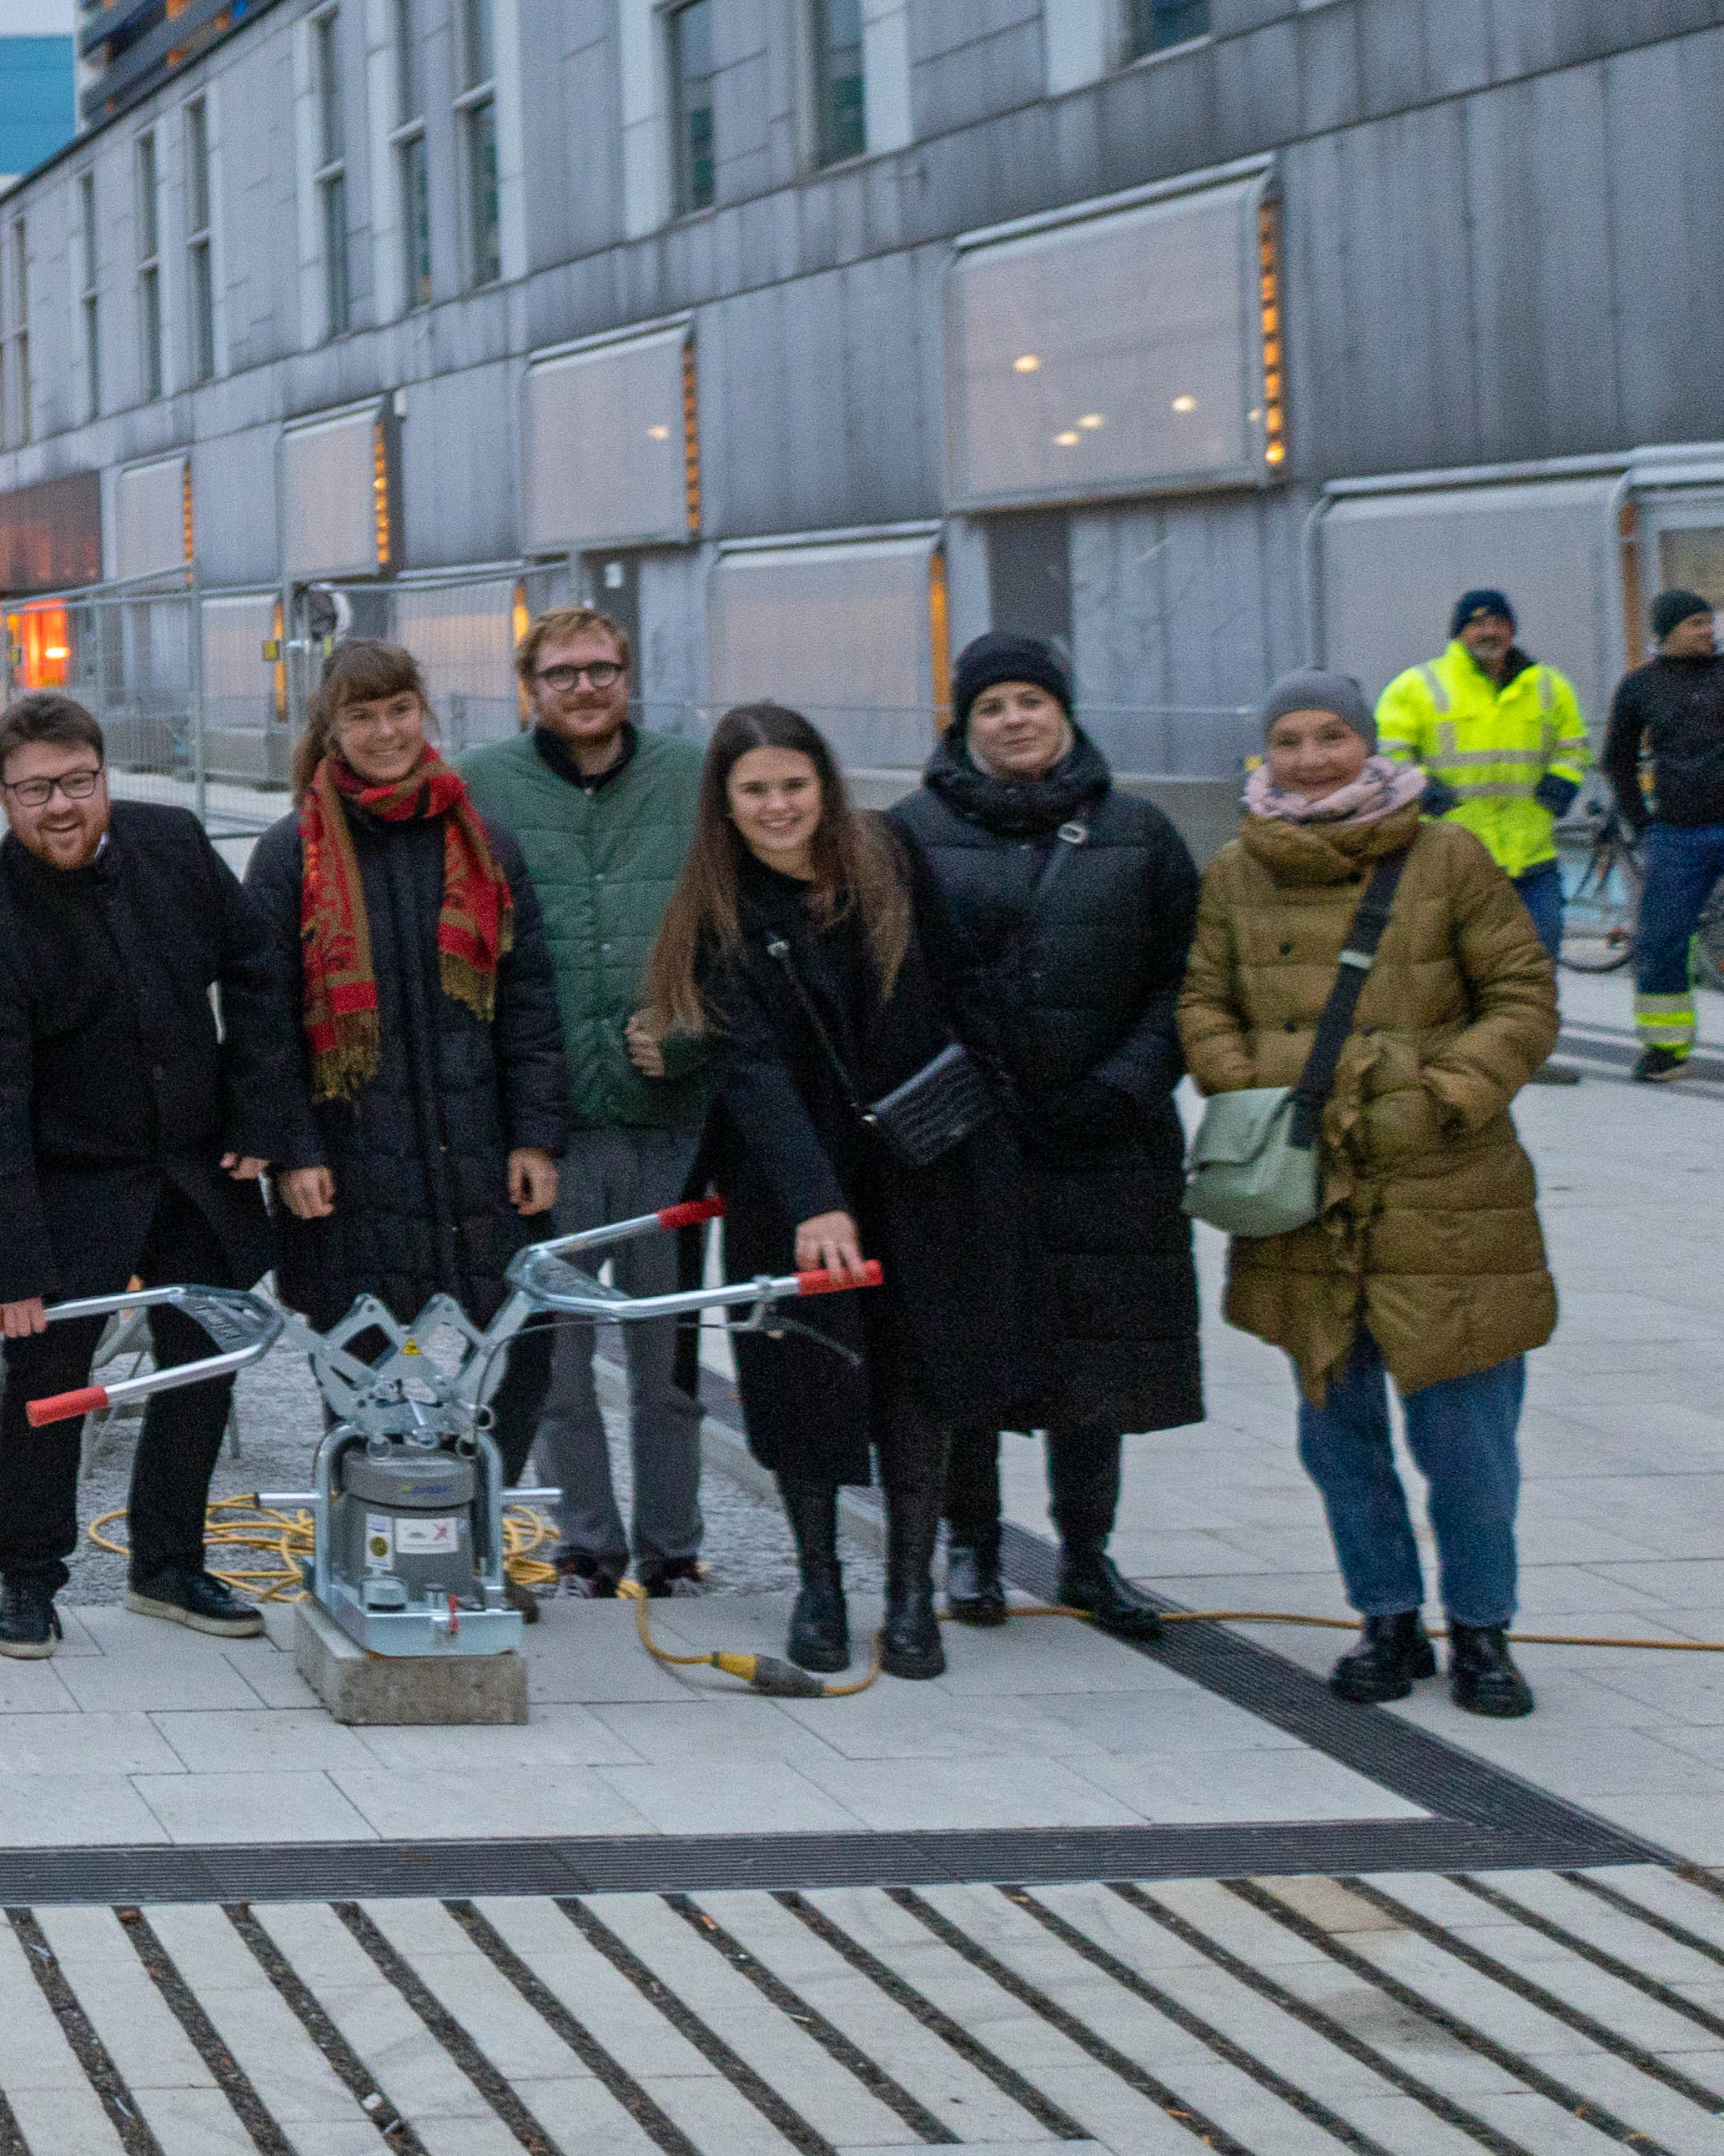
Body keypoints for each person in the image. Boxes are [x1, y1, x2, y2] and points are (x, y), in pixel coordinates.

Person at [1184, 671, 1561, 1716]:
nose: (1309, 757)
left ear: (1368, 743)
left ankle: (1481, 1629)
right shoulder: (1233, 870)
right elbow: (1202, 999)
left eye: (1331, 735)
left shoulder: (1445, 856)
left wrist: (1442, 1094)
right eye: (1288, 739)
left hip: (1445, 1185)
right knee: (1337, 1431)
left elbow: (1522, 996)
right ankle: (1385, 1618)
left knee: (1464, 1438)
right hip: (1309, 1188)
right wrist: (1244, 1085)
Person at [644, 701, 1039, 1679]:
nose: (778, 806)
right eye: (754, 791)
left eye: (792, 784)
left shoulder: (888, 860)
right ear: (724, 805)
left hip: (922, 1167)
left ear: (822, 783)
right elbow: (751, 1073)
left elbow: (963, 989)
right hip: (793, 1180)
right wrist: (816, 1200)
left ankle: (909, 1596)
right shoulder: (717, 910)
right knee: (802, 1382)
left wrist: (986, 1107)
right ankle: (817, 1585)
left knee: (917, 1378)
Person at [0, 687, 294, 1654]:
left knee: (203, 1366)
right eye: (32, 791)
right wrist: (8, 1265)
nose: (58, 807)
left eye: (76, 782)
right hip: (71, 1186)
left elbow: (257, 966)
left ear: (103, 775)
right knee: (45, 1381)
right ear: (3, 799)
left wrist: (259, 1111)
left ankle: (168, 1564)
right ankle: (25, 1576)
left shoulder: (172, 844)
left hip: (193, 1167)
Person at [887, 632, 1202, 1639]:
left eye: (1029, 700)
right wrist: (961, 1090)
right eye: (990, 706)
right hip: (969, 1139)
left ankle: (1085, 1550)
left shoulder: (1139, 834)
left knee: (1095, 1353)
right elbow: (892, 988)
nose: (1012, 719)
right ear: (962, 723)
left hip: (1106, 1139)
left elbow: (1185, 978)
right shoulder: (907, 833)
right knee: (964, 1343)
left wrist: (1126, 1082)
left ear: (1062, 712)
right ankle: (970, 1545)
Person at [244, 641, 568, 1516]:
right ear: (331, 728)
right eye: (359, 715)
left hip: (479, 1160)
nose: (382, 731)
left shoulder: (483, 843)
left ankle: (475, 1540)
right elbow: (263, 1023)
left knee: (510, 1355)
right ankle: (372, 1543)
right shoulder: (288, 858)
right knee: (361, 1375)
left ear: (422, 713)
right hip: (346, 1171)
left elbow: (528, 999)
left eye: (396, 709)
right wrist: (292, 1150)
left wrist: (537, 1132)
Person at [455, 606, 712, 1601]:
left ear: (627, 675)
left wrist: (697, 1029)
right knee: (555, 1366)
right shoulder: (483, 786)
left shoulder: (690, 778)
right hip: (547, 1131)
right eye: (560, 673)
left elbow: (738, 928)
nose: (583, 688)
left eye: (600, 669)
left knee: (667, 1361)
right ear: (531, 685)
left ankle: (673, 1545)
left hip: (670, 1124)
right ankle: (584, 1544)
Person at [1378, 589, 1590, 971]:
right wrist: (1422, 789)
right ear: (1458, 632)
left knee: (1537, 975)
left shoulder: (1547, 685)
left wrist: (1562, 782)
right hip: (1450, 865)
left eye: (1499, 623)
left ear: (1512, 630)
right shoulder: (1416, 686)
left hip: (1531, 862)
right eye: (1478, 624)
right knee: (1455, 979)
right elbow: (1389, 752)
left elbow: (1573, 744)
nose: (1490, 631)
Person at [1599, 587, 1724, 1081]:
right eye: (1696, 624)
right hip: (1677, 836)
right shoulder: (1639, 687)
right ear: (1667, 631)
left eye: (1708, 622)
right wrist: (1641, 824)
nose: (1708, 631)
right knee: (1660, 941)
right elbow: (1618, 760)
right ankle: (1666, 1050)